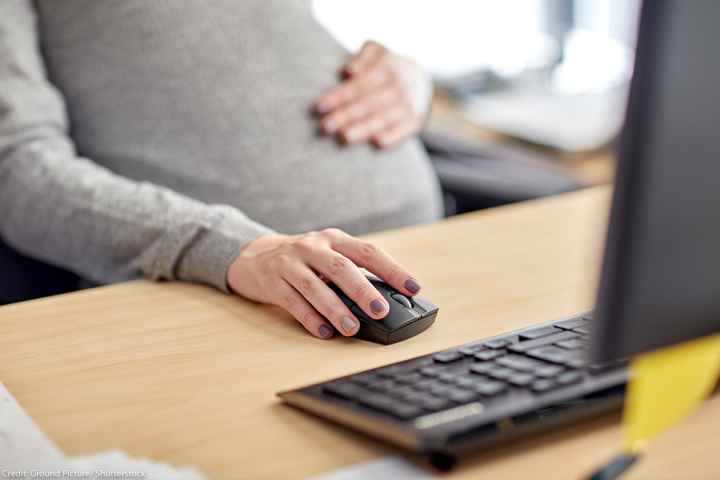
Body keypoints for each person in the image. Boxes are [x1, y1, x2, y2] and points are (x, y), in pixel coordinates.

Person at [0, 1, 443, 339]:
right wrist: (230, 248)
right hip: (251, 310)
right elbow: (18, 171)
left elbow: (252, 51)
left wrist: (410, 81)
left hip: (436, 253)